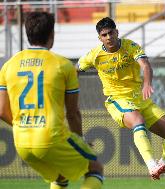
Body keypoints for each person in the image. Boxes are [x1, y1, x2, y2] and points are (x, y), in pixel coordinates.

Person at [0, 12, 104, 189]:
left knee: (60, 176)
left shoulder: (8, 65)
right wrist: (79, 140)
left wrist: (24, 126)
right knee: (95, 169)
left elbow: (2, 111)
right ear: (52, 34)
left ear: (27, 33)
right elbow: (72, 114)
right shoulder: (63, 65)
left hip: (22, 142)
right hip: (51, 136)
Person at [77, 17, 165, 180]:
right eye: (104, 35)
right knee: (138, 121)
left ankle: (164, 163)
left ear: (117, 32)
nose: (108, 37)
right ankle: (152, 165)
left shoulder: (130, 46)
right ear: (100, 38)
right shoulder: (94, 55)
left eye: (111, 33)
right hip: (117, 100)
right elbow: (75, 69)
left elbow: (145, 65)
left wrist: (147, 83)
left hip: (140, 99)